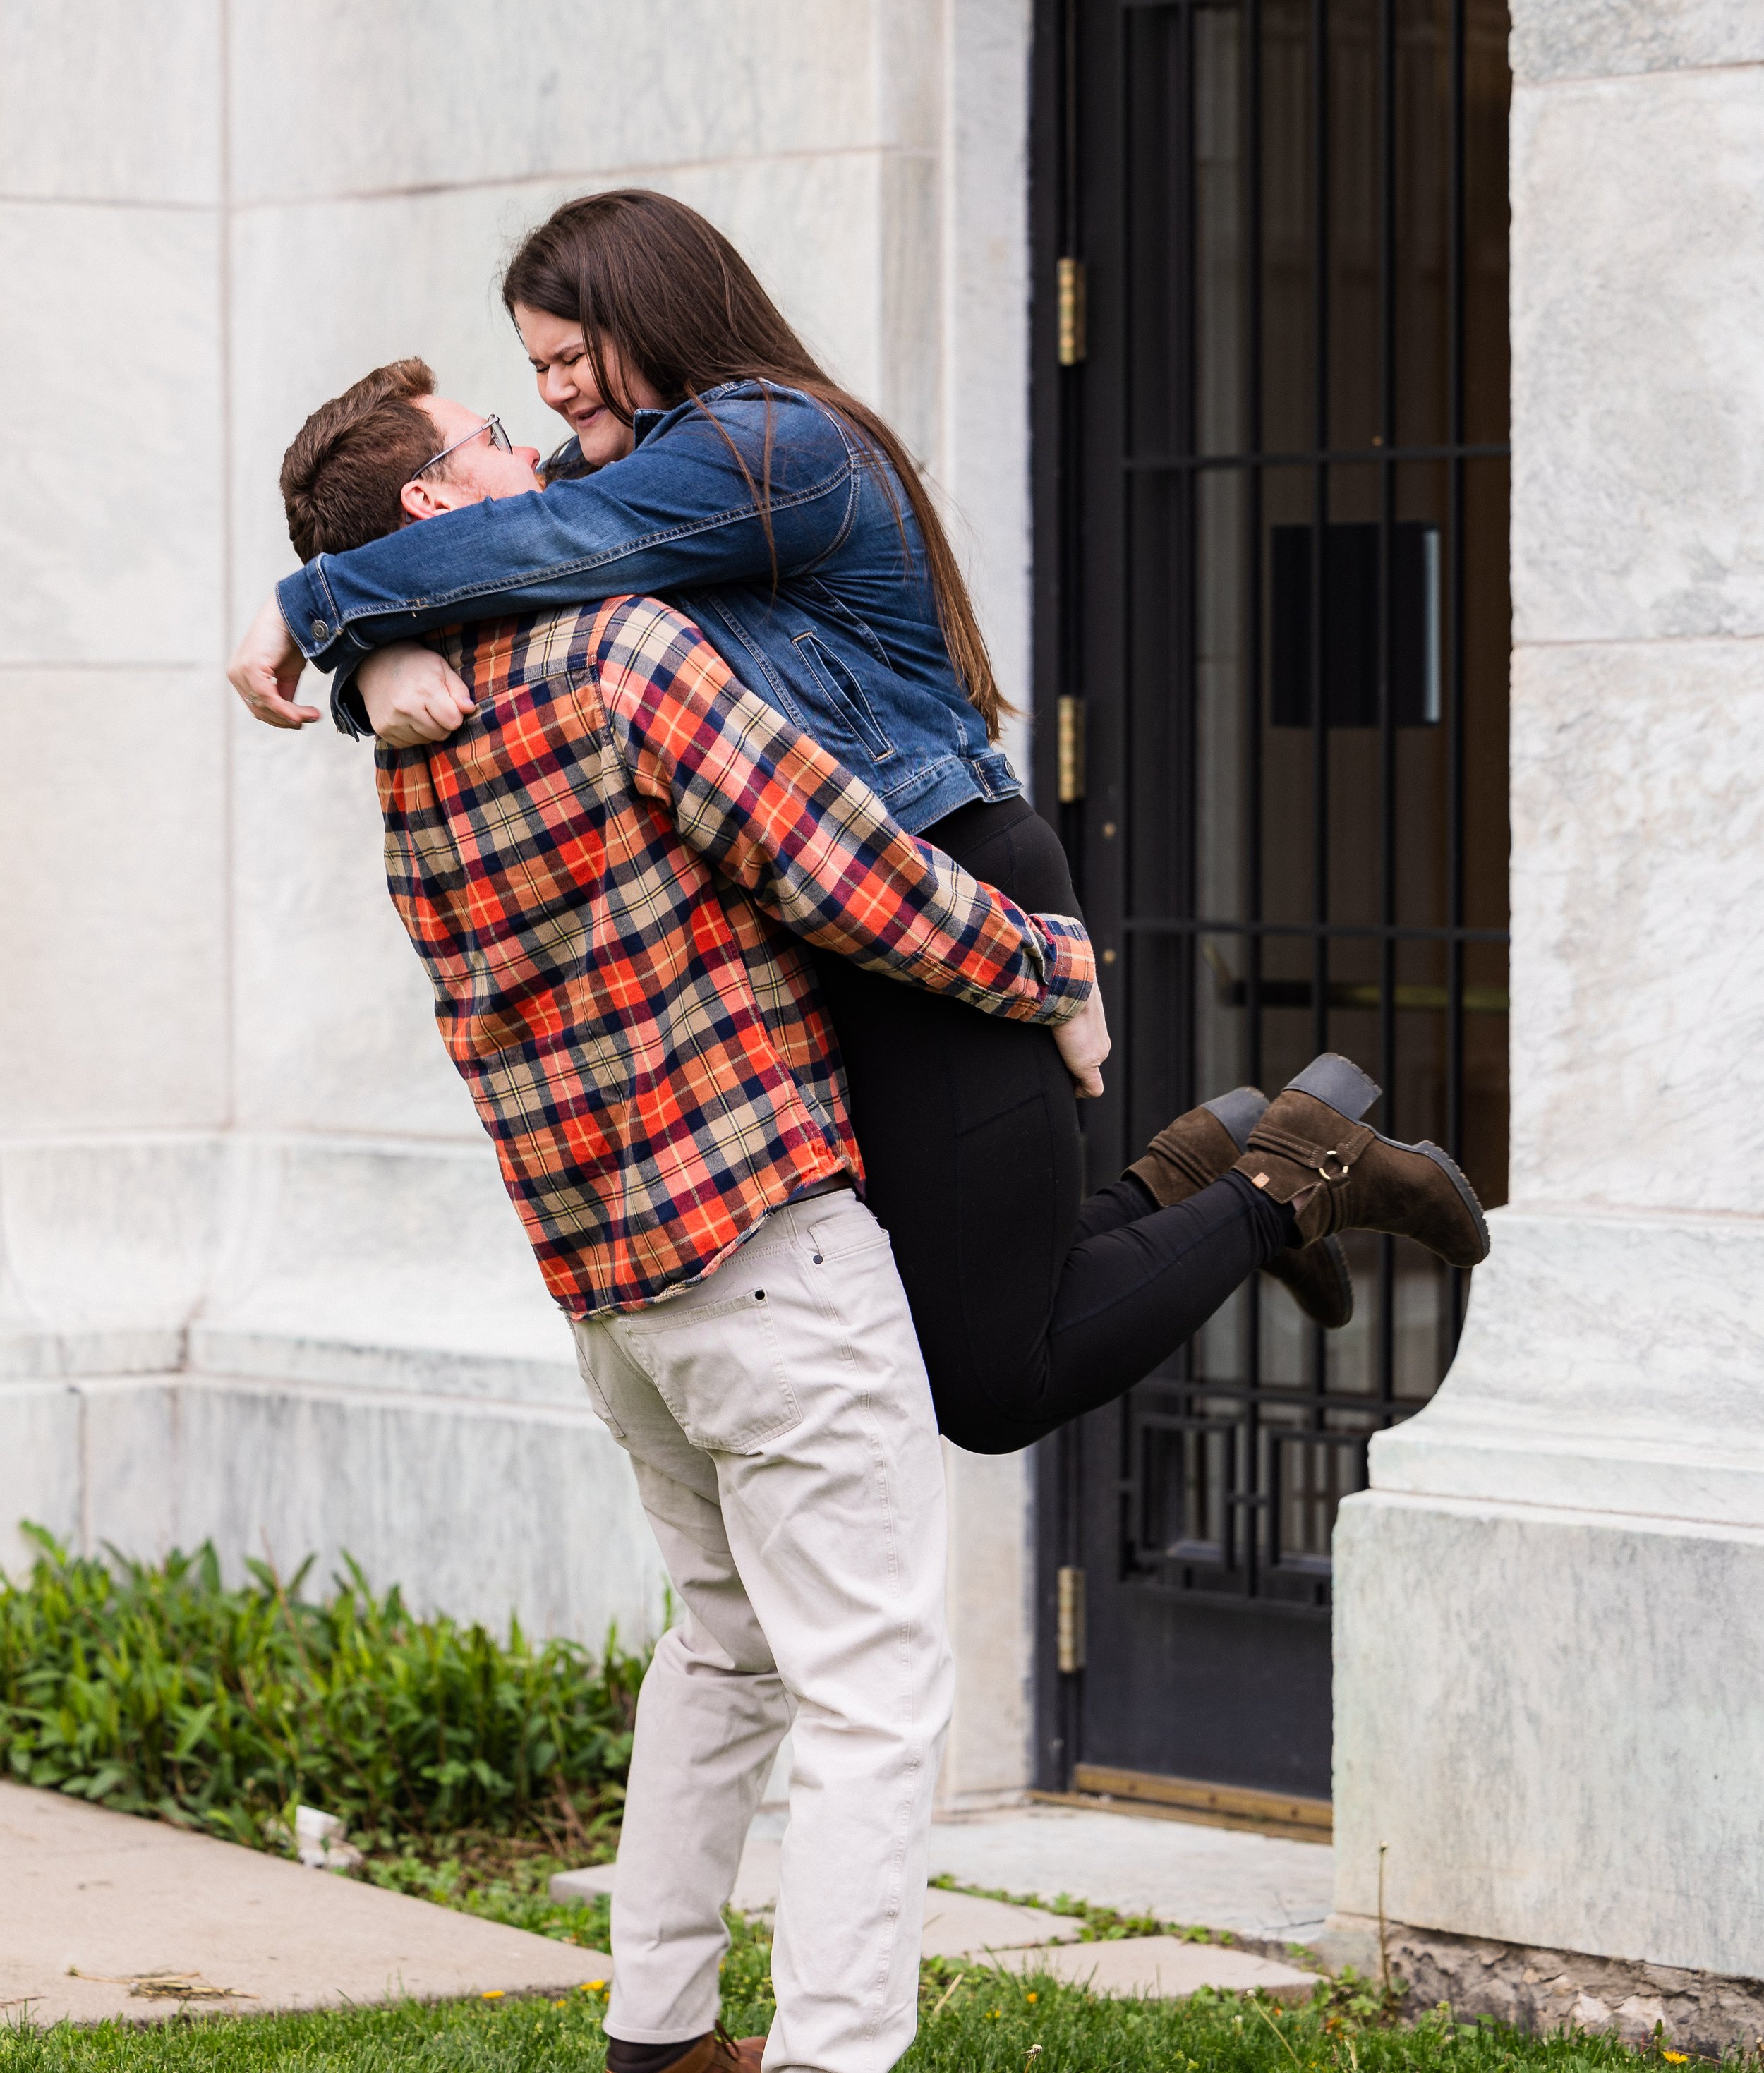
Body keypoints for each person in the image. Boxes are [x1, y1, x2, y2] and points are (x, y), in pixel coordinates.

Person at [268, 368, 1484, 2073]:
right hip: (763, 1243)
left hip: (609, 1287)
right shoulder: (616, 652)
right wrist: (1045, 961)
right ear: (447, 514)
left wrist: (349, 656)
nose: (550, 466)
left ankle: (661, 2037)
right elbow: (852, 875)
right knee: (873, 1679)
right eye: (499, 451)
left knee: (725, 1640)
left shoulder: (408, 735)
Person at [231, 195, 1489, 1452]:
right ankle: (1209, 1165)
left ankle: (1298, 1172)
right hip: (855, 913)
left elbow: (542, 544)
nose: (555, 397)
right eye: (535, 370)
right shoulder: (633, 464)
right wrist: (373, 671)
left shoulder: (769, 445)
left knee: (997, 1382)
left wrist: (316, 611)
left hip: (941, 875)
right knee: (957, 1315)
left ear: (648, 314)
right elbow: (489, 568)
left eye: (569, 358)